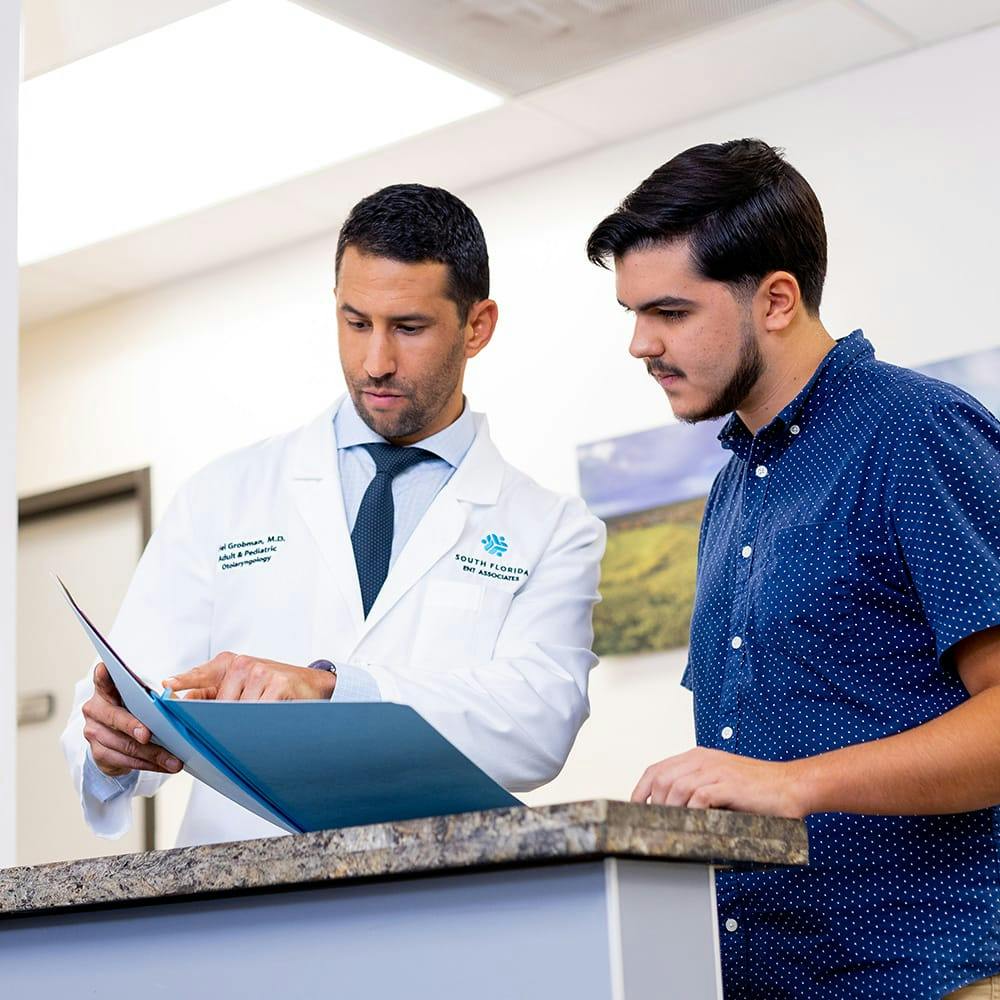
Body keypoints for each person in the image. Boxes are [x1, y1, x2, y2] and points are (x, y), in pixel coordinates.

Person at [62, 183, 605, 849]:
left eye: (408, 328)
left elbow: (535, 724)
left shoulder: (550, 528)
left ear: (478, 326)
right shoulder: (224, 495)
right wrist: (110, 747)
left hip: (438, 902)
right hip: (237, 907)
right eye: (355, 323)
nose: (375, 362)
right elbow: (135, 688)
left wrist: (331, 690)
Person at [586, 139, 1000, 999]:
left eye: (668, 312)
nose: (639, 344)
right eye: (632, 314)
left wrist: (793, 784)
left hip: (925, 975)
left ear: (775, 299)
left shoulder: (915, 435)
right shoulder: (735, 484)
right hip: (763, 975)